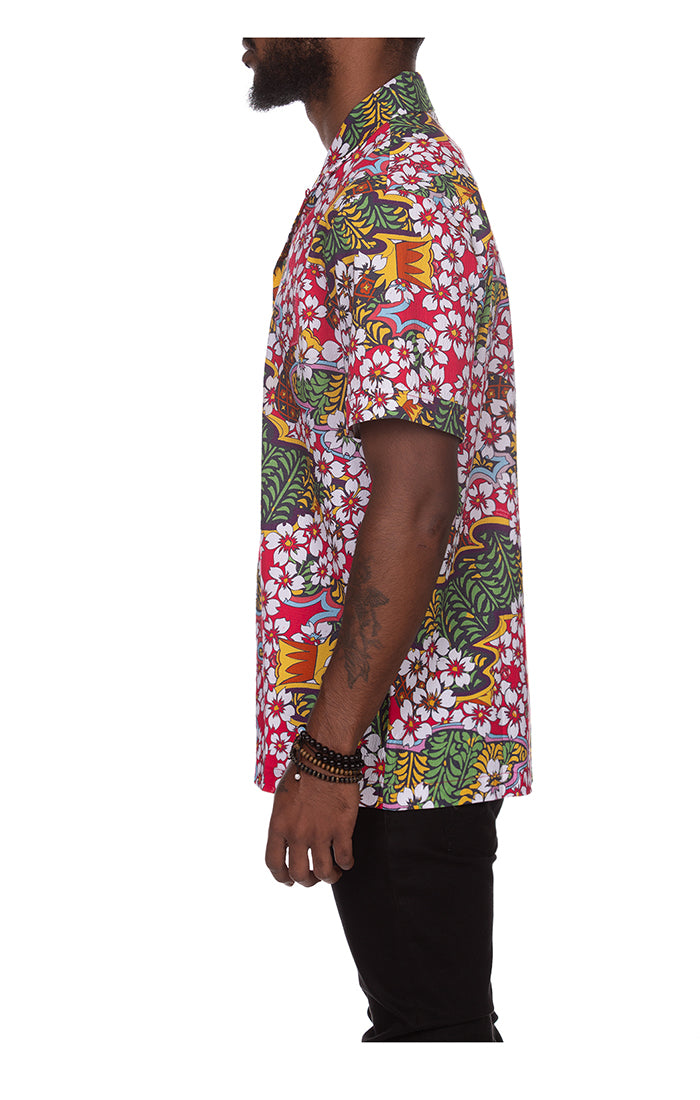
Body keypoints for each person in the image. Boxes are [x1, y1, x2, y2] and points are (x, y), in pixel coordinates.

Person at [243, 36, 533, 1042]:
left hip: (403, 749)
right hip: (389, 743)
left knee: (431, 1037)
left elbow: (416, 504)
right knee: (425, 1029)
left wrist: (328, 755)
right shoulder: (366, 177)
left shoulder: (398, 193)